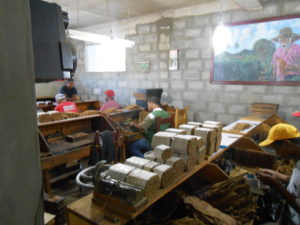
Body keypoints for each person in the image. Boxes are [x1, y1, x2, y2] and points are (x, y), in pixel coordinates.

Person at [257, 123, 300, 224]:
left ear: (287, 144)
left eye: (276, 149)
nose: (277, 154)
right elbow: (296, 181)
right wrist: (276, 175)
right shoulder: (297, 159)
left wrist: (275, 184)